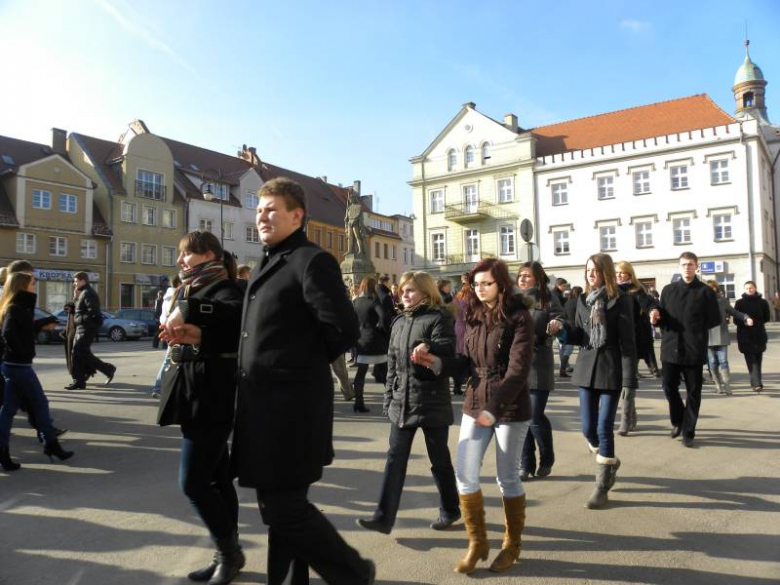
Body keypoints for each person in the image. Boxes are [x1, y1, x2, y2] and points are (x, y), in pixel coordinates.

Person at [231, 177, 375, 585]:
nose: (262, 216)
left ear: (297, 215)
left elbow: (343, 329)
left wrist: (293, 368)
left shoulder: (311, 261)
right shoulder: (268, 260)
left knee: (283, 509)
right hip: (263, 407)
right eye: (259, 210)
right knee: (280, 509)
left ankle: (352, 571)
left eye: (272, 209)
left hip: (290, 409)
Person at [419, 258, 534, 574]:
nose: (481, 289)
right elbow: (462, 361)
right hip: (474, 399)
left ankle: (511, 545)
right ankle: (477, 542)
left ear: (501, 284)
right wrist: (435, 363)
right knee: (465, 473)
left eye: (487, 283)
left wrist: (493, 409)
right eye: (477, 284)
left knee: (506, 476)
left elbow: (518, 370)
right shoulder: (469, 314)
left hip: (509, 407)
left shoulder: (519, 317)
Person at [157, 231, 245, 585]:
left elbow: (234, 316)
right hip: (192, 391)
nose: (181, 261)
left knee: (193, 482)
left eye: (186, 255)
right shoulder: (188, 288)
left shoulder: (226, 287)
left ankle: (229, 553)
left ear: (209, 255)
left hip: (213, 394)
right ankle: (227, 553)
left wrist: (190, 311)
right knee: (218, 479)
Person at [356, 270, 459, 535]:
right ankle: (383, 517)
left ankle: (450, 509)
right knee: (395, 460)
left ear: (426, 292)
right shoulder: (399, 321)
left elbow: (447, 349)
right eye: (402, 290)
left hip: (432, 401)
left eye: (410, 290)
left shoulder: (439, 317)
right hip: (402, 402)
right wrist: (389, 397)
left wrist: (427, 346)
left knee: (440, 460)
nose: (405, 295)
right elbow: (392, 363)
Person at [566, 254, 635, 509]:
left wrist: (629, 380)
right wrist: (561, 331)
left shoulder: (621, 300)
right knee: (587, 428)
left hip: (611, 369)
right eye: (587, 270)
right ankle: (610, 461)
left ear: (605, 272)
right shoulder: (581, 300)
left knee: (605, 427)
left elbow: (628, 341)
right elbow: (578, 334)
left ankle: (601, 486)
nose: (590, 274)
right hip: (586, 370)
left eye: (594, 270)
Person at [0, 271, 74, 471]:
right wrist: (22, 352)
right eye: (32, 283)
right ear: (23, 286)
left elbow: (24, 328)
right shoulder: (15, 307)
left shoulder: (18, 306)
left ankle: (3, 452)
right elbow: (9, 333)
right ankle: (51, 445)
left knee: (8, 410)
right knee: (40, 403)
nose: (35, 286)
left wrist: (42, 323)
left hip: (13, 366)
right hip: (18, 366)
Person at [649, 252, 720, 448]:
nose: (687, 268)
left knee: (693, 391)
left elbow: (715, 320)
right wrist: (656, 316)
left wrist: (695, 329)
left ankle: (688, 430)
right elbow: (661, 316)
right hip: (670, 346)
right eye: (683, 265)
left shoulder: (706, 292)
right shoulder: (669, 290)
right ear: (679, 267)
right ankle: (678, 420)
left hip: (694, 348)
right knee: (668, 387)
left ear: (696, 267)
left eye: (690, 265)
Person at [516, 261, 564, 481]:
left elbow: (560, 317)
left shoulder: (547, 298)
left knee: (534, 415)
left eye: (527, 276)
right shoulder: (513, 301)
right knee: (521, 417)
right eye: (520, 276)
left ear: (537, 278)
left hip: (538, 363)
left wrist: (556, 323)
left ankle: (547, 458)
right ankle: (526, 464)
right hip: (516, 366)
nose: (523, 279)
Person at [615, 261, 659, 436]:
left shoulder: (636, 290)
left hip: (633, 341)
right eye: (617, 272)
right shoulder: (611, 290)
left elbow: (649, 304)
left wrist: (653, 311)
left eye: (622, 273)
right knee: (620, 381)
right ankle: (632, 416)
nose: (619, 275)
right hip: (615, 342)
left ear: (629, 274)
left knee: (629, 380)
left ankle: (625, 421)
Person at [66, 272, 115, 390]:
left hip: (87, 328)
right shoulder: (83, 292)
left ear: (83, 281)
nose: (74, 283)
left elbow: (94, 313)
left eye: (76, 281)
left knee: (80, 351)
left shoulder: (88, 293)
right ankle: (79, 381)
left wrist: (79, 319)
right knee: (77, 353)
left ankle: (107, 369)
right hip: (82, 327)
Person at [705, 279, 750, 396]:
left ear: (716, 289)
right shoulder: (700, 301)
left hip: (721, 335)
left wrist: (745, 317)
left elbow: (733, 312)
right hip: (707, 336)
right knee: (713, 362)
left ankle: (727, 385)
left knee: (723, 361)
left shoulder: (722, 301)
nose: (711, 290)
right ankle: (718, 385)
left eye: (713, 288)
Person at [352, 277, 390, 412]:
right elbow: (384, 317)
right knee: (386, 373)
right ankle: (390, 402)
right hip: (376, 340)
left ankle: (358, 403)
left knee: (361, 373)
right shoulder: (373, 301)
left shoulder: (356, 301)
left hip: (362, 340)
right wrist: (383, 329)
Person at [735, 281, 770, 392]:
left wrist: (757, 323)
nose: (749, 290)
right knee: (751, 360)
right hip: (745, 335)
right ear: (744, 290)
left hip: (759, 334)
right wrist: (745, 322)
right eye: (747, 288)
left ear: (755, 288)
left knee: (758, 360)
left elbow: (766, 317)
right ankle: (757, 383)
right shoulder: (739, 303)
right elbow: (736, 319)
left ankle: (755, 381)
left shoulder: (763, 302)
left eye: (751, 288)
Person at [152, 275, 182, 398]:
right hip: (175, 330)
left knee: (171, 359)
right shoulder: (176, 295)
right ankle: (158, 387)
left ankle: (162, 387)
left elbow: (162, 315)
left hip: (170, 328)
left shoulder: (168, 296)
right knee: (170, 360)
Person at [450, 276, 470, 395]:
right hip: (467, 328)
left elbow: (452, 313)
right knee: (467, 358)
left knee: (458, 356)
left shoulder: (456, 298)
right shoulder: (469, 300)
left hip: (457, 327)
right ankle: (466, 384)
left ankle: (456, 386)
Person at [560, 286, 582, 377]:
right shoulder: (580, 302)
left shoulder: (567, 302)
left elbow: (564, 315)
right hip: (577, 327)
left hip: (567, 326)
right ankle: (564, 370)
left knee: (566, 349)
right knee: (581, 349)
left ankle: (563, 368)